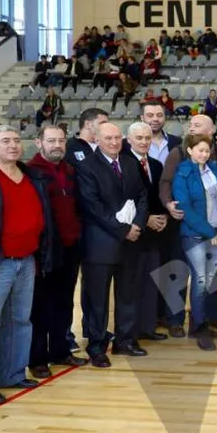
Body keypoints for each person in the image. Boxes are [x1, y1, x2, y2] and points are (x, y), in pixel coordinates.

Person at [0, 126, 54, 405]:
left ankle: (12, 374)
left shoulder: (31, 176)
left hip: (26, 260)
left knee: (19, 320)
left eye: (16, 140)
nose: (13, 145)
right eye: (5, 141)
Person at [75, 123, 149, 367]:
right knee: (97, 300)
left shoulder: (129, 162)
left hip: (131, 243)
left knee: (128, 295)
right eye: (108, 138)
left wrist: (137, 225)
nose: (114, 142)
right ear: (97, 139)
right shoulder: (86, 167)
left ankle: (125, 341)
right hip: (100, 244)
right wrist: (123, 229)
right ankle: (97, 347)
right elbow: (92, 206)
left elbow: (142, 196)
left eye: (118, 137)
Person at [26, 125, 88, 379]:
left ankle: (61, 351)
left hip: (70, 247)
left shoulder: (70, 170)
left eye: (61, 141)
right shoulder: (31, 172)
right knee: (41, 307)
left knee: (64, 303)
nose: (57, 145)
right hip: (46, 250)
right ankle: (38, 358)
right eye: (51, 141)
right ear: (39, 142)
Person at [172, 134, 217, 351]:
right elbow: (185, 209)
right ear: (190, 150)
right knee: (200, 281)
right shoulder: (182, 173)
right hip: (196, 236)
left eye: (207, 150)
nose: (204, 154)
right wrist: (210, 232)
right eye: (200, 150)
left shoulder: (215, 170)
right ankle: (200, 327)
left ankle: (199, 323)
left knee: (209, 282)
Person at [123, 123, 169, 344]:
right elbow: (125, 198)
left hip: (154, 233)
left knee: (151, 281)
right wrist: (146, 219)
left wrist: (163, 216)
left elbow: (159, 196)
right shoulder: (123, 163)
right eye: (139, 138)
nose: (143, 142)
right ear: (129, 140)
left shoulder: (156, 165)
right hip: (133, 231)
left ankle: (148, 327)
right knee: (132, 284)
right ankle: (131, 332)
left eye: (147, 138)